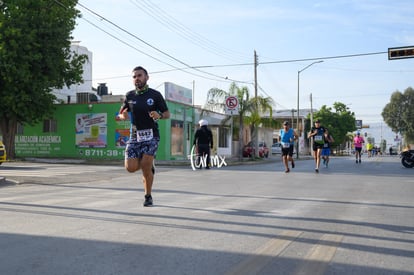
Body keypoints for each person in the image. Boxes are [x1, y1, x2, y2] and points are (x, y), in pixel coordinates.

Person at [117, 66, 170, 207]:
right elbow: (120, 113)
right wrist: (123, 116)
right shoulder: (129, 96)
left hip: (151, 134)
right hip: (134, 135)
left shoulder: (155, 95)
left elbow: (167, 114)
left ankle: (148, 196)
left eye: (139, 75)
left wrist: (159, 115)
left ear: (147, 77)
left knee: (146, 166)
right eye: (134, 76)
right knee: (130, 168)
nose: (137, 78)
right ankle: (148, 163)